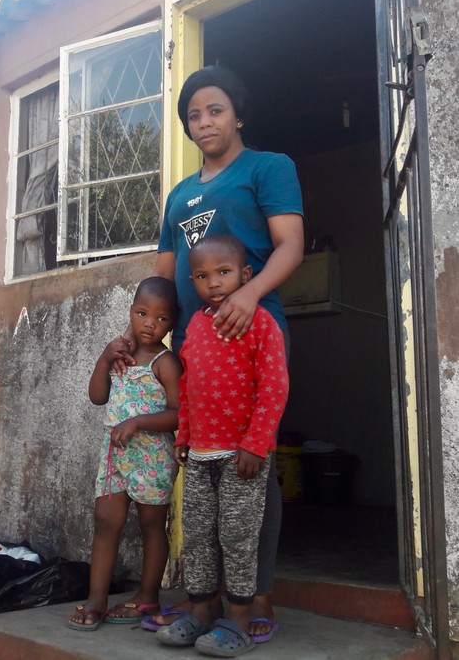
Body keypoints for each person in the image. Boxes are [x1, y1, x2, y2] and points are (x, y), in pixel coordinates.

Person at [138, 64, 304, 641]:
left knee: (252, 467)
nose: (203, 122)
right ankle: (203, 603)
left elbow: (290, 244)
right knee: (206, 482)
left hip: (252, 339)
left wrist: (251, 294)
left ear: (238, 114)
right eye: (193, 115)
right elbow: (163, 277)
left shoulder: (268, 168)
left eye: (214, 110)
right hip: (197, 350)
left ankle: (256, 599)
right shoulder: (181, 195)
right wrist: (142, 340)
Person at [157, 234, 289, 657]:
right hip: (199, 457)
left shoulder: (261, 323)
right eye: (202, 276)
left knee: (237, 538)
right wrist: (184, 436)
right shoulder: (194, 325)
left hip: (242, 457)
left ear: (245, 274)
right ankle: (200, 611)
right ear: (192, 281)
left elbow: (274, 388)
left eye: (224, 272)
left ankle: (238, 620)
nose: (213, 283)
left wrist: (256, 444)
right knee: (197, 535)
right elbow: (190, 387)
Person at [68, 276, 183, 631]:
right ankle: (97, 598)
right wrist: (104, 359)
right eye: (143, 313)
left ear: (172, 323)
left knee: (151, 525)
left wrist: (140, 422)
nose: (150, 323)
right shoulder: (121, 353)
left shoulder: (165, 362)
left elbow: (180, 413)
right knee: (106, 523)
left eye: (162, 318)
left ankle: (148, 595)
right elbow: (98, 397)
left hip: (152, 456)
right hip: (114, 455)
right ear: (131, 312)